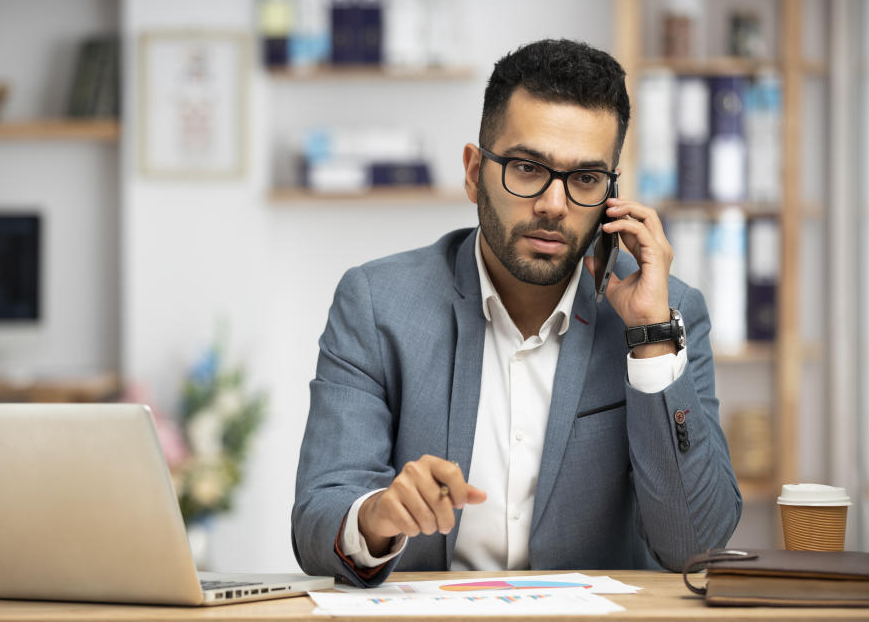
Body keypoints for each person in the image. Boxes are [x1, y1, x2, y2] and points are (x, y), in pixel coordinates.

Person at [291, 38, 741, 587]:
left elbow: (696, 545)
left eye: (585, 179)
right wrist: (377, 517)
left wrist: (651, 337)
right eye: (528, 168)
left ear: (611, 196)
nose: (554, 205)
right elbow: (318, 516)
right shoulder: (377, 304)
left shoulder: (668, 313)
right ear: (473, 171)